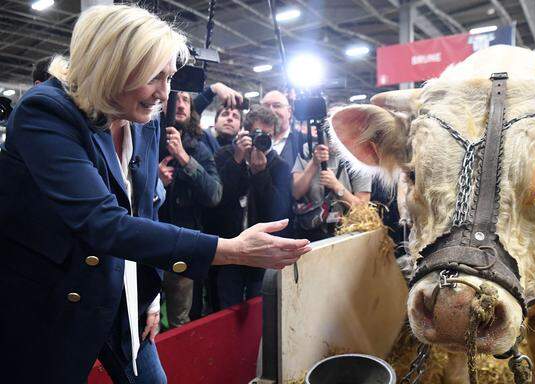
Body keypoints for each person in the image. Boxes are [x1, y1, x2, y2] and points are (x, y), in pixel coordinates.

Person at [0, 5, 309, 383]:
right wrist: (231, 250)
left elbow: (144, 211)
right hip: (51, 301)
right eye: (154, 77)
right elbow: (104, 223)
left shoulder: (143, 117)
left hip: (124, 295)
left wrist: (150, 296)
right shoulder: (45, 112)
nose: (165, 93)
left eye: (169, 78)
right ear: (111, 66)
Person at [210, 105, 292, 308]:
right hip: (229, 247)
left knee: (260, 308)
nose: (262, 140)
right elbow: (217, 201)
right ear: (245, 132)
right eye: (257, 134)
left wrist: (261, 175)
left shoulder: (279, 165)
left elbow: (279, 211)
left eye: (268, 135)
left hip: (262, 251)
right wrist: (237, 160)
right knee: (226, 307)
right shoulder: (225, 155)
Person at [158, 91, 223, 328]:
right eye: (176, 98)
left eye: (187, 100)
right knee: (143, 314)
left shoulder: (198, 149)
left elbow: (214, 194)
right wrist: (156, 183)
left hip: (182, 244)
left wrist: (184, 158)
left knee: (179, 321)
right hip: (145, 242)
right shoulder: (144, 139)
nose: (181, 104)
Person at [292, 141, 372, 241]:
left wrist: (337, 186)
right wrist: (313, 163)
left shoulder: (357, 156)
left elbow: (363, 209)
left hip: (346, 233)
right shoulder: (308, 149)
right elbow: (296, 193)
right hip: (310, 233)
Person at [261, 90, 304, 169]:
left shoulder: (303, 141)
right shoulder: (253, 140)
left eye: (277, 106)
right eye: (266, 106)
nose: (271, 110)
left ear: (289, 112)